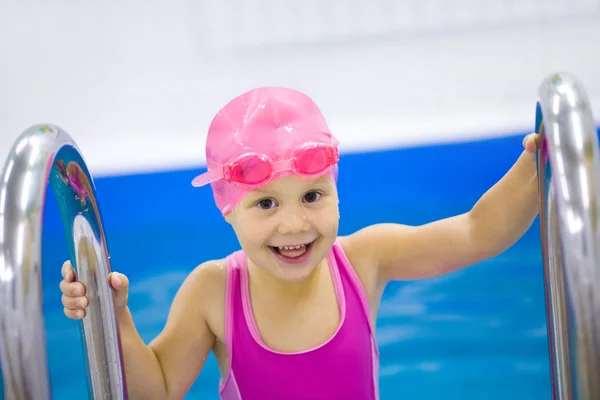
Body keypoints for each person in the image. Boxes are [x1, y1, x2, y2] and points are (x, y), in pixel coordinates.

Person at [59, 87, 540, 399]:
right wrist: (114, 314)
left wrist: (538, 163)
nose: (293, 225)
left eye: (312, 196)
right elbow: (158, 390)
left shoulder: (364, 259)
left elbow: (478, 232)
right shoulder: (212, 290)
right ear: (228, 211)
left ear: (336, 191)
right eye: (265, 204)